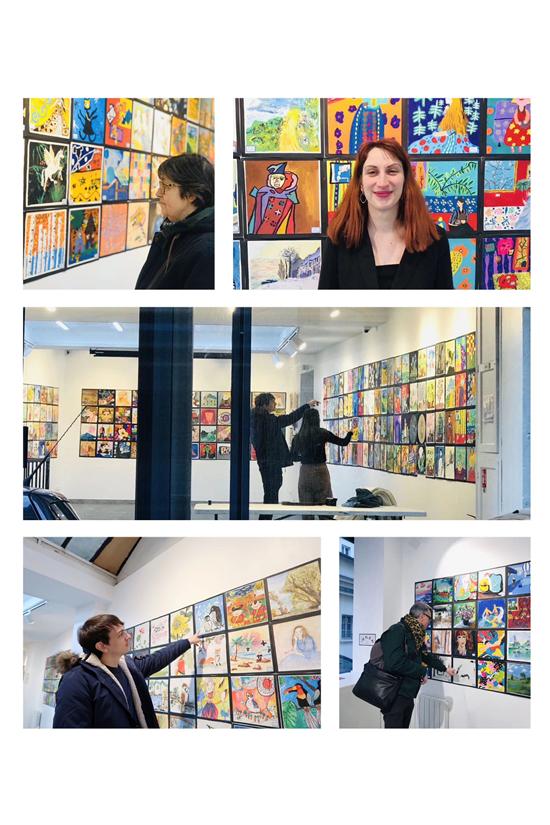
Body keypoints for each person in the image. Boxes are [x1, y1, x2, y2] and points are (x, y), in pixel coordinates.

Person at [318, 138, 453, 290]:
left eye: (392, 171)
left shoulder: (434, 240)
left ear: (405, 179)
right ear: (361, 183)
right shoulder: (339, 240)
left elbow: (445, 302)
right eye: (372, 172)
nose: (382, 182)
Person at [53, 613, 200, 728]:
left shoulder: (128, 667)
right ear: (102, 646)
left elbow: (157, 659)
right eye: (121, 634)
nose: (128, 636)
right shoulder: (76, 681)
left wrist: (188, 642)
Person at [135, 154, 214, 290]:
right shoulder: (172, 233)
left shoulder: (207, 252)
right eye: (160, 185)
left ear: (191, 194)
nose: (158, 193)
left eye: (166, 186)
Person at [379, 602, 456, 728]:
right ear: (422, 616)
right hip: (394, 693)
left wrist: (445, 669)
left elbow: (424, 656)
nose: (430, 622)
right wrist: (421, 671)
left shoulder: (416, 634)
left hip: (407, 693)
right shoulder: (397, 630)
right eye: (429, 618)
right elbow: (394, 663)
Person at [250, 393, 319, 518]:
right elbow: (290, 418)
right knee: (272, 491)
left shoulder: (255, 419)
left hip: (264, 461)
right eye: (273, 402)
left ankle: (266, 519)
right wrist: (307, 406)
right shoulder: (268, 420)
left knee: (270, 490)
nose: (275, 404)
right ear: (265, 404)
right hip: (272, 461)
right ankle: (265, 520)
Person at [290, 407, 352, 513]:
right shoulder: (323, 433)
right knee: (324, 507)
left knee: (306, 507)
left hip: (305, 472)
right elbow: (343, 442)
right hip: (321, 471)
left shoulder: (298, 437)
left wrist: (304, 457)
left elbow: (293, 457)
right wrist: (349, 434)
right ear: (317, 419)